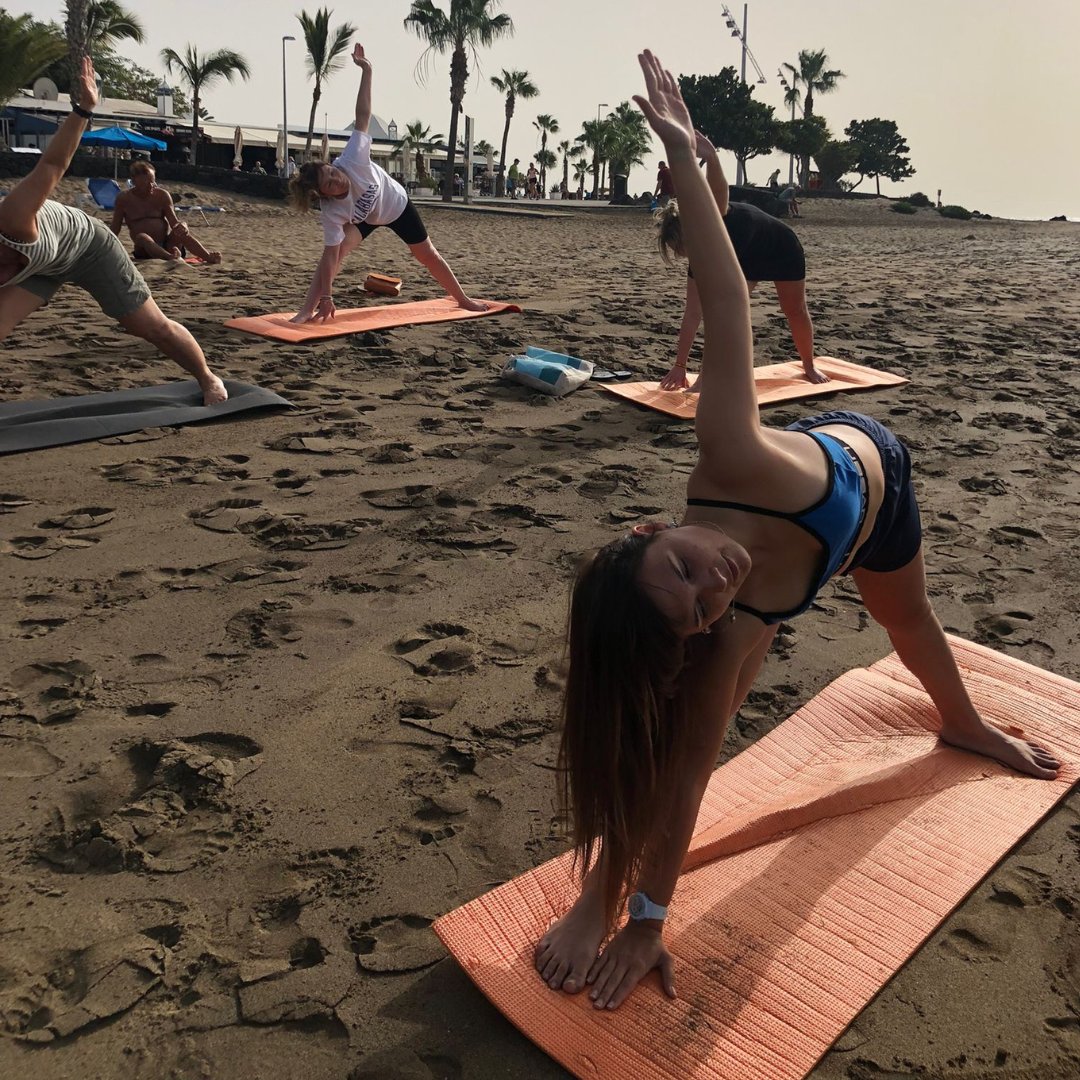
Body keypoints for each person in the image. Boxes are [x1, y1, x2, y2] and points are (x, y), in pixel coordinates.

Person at [533, 47, 1059, 1015]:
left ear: (657, 527)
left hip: (871, 479)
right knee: (685, 741)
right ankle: (600, 885)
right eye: (696, 610)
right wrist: (636, 915)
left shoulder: (728, 454)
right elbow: (684, 777)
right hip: (826, 551)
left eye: (684, 567)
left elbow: (727, 292)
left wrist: (688, 160)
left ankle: (961, 721)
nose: (715, 582)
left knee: (911, 627)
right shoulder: (719, 624)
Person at [0, 57, 227, 407]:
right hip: (43, 266)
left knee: (151, 328)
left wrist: (84, 109)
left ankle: (208, 377)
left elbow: (52, 163)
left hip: (89, 247)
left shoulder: (13, 217)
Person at [286, 44, 486, 324]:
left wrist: (367, 70)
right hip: (365, 218)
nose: (336, 178)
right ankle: (307, 309)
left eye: (331, 172)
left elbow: (363, 115)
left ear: (331, 164)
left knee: (427, 254)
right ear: (324, 195)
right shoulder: (332, 212)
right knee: (338, 250)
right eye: (329, 184)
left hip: (395, 205)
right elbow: (331, 256)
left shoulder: (353, 157)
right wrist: (327, 297)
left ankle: (464, 300)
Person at [655, 133, 825, 390]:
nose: (685, 256)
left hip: (780, 247)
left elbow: (718, 190)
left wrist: (711, 156)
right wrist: (679, 367)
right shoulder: (701, 254)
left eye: (683, 248)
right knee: (718, 312)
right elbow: (692, 313)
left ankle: (809, 365)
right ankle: (706, 374)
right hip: (744, 255)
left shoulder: (714, 219)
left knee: (794, 310)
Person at [111, 160, 222, 264]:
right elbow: (115, 228)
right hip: (144, 249)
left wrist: (183, 225)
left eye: (153, 181)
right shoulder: (124, 199)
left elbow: (174, 222)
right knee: (142, 236)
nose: (151, 186)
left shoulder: (162, 195)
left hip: (167, 244)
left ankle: (208, 257)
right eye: (146, 182)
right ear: (134, 180)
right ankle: (170, 258)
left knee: (179, 231)